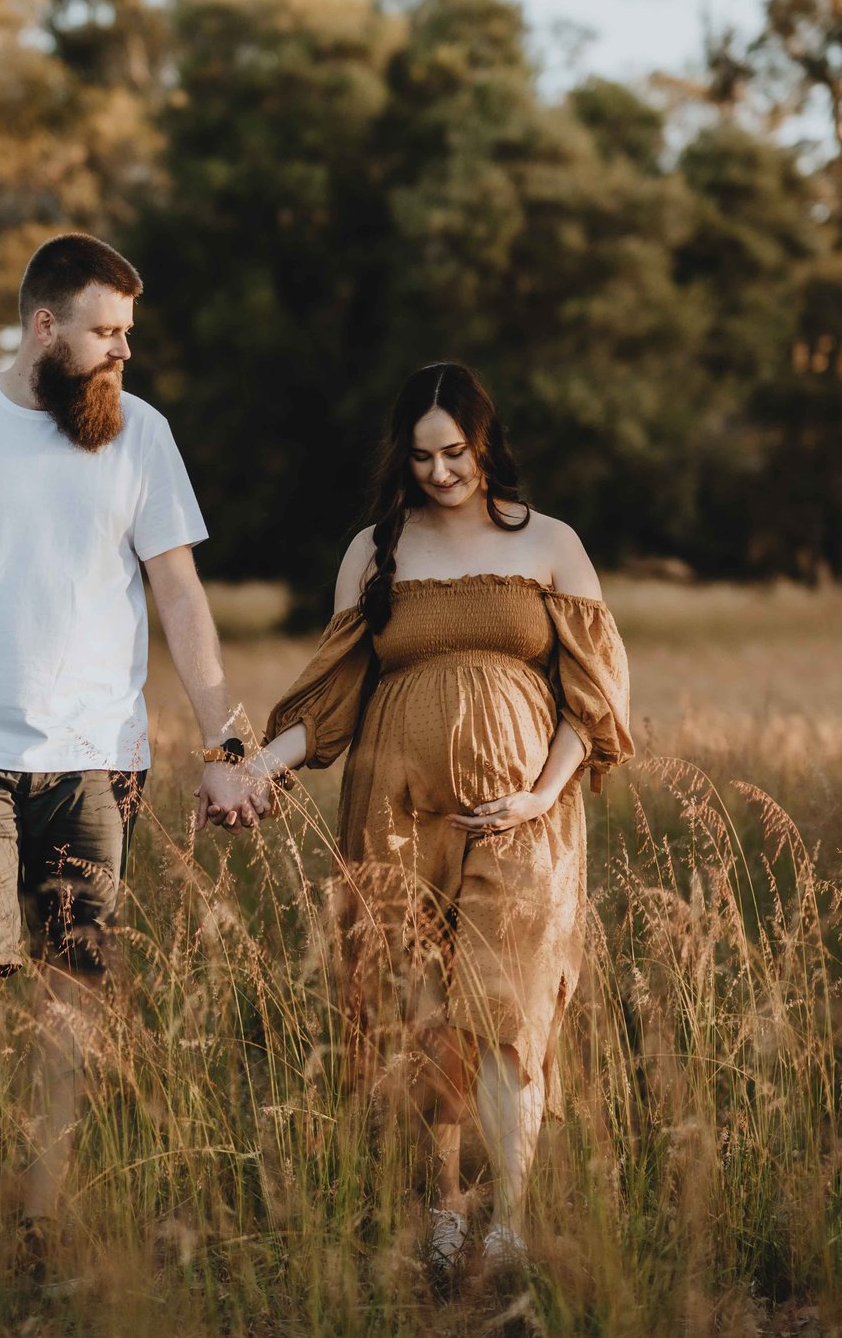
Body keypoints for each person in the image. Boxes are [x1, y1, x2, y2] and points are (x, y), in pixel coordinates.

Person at [0, 232, 269, 1221]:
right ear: (45, 327)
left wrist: (228, 748)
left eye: (128, 331)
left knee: (76, 988)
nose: (123, 349)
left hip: (95, 760)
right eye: (105, 331)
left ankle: (45, 1193)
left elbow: (180, 593)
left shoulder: (141, 434)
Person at [235, 362, 632, 1279]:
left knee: (509, 1007)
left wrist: (542, 790)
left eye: (455, 451)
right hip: (393, 810)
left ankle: (515, 1218)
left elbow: (596, 696)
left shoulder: (551, 544)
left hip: (524, 814)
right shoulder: (377, 549)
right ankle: (446, 1208)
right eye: (422, 456)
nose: (441, 471)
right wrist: (254, 769)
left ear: (484, 443)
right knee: (416, 1009)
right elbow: (327, 702)